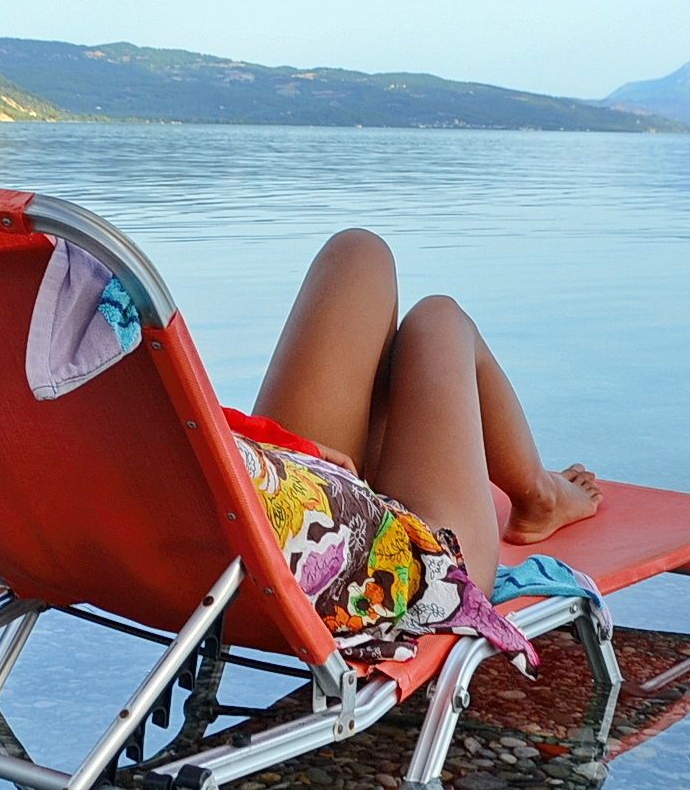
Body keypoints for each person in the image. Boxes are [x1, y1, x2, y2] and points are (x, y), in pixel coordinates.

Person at [230, 227, 603, 662]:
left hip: (242, 523)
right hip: (373, 582)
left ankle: (376, 474)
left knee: (358, 252)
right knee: (438, 320)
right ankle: (539, 495)